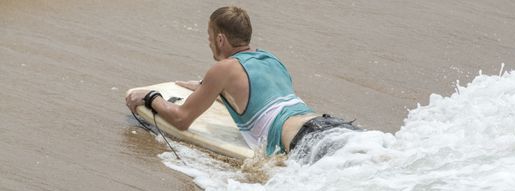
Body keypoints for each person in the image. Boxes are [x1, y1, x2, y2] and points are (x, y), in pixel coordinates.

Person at [126, 6, 359, 161]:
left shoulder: (223, 69)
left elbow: (182, 119)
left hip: (306, 141)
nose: (209, 44)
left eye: (209, 37)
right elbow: (258, 96)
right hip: (328, 125)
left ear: (220, 39)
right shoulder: (272, 60)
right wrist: (204, 88)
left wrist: (150, 97)